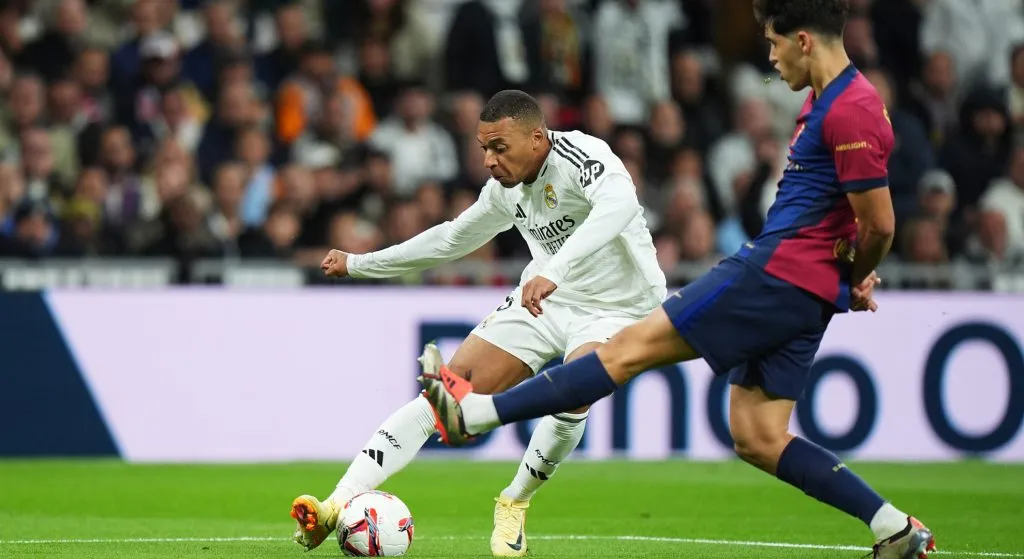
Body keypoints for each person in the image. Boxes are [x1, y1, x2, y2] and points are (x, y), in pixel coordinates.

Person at [418, 2, 937, 558]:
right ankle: (893, 528)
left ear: (804, 41)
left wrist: (855, 275)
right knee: (758, 436)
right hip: (804, 291)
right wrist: (845, 275)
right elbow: (848, 218)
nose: (770, 57)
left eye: (774, 43)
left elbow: (879, 223)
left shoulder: (851, 108)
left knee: (623, 351)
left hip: (774, 273)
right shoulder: (830, 100)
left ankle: (475, 413)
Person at [291, 90, 666, 557]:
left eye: (499, 148)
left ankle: (514, 500)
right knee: (443, 396)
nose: (489, 160)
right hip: (546, 300)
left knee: (576, 388)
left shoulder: (580, 155)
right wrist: (360, 264)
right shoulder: (503, 191)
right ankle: (334, 505)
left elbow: (621, 204)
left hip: (619, 307)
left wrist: (555, 269)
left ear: (536, 138)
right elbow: (450, 240)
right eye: (484, 148)